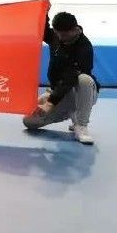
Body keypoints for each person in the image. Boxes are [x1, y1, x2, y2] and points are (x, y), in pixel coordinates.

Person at [23, 12, 99, 144]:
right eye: (57, 33)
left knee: (84, 79)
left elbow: (70, 78)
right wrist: (44, 11)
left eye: (64, 35)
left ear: (75, 30)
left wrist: (50, 103)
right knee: (29, 121)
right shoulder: (57, 36)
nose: (60, 38)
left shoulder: (84, 48)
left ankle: (81, 125)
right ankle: (72, 113)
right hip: (59, 92)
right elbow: (43, 29)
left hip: (80, 93)